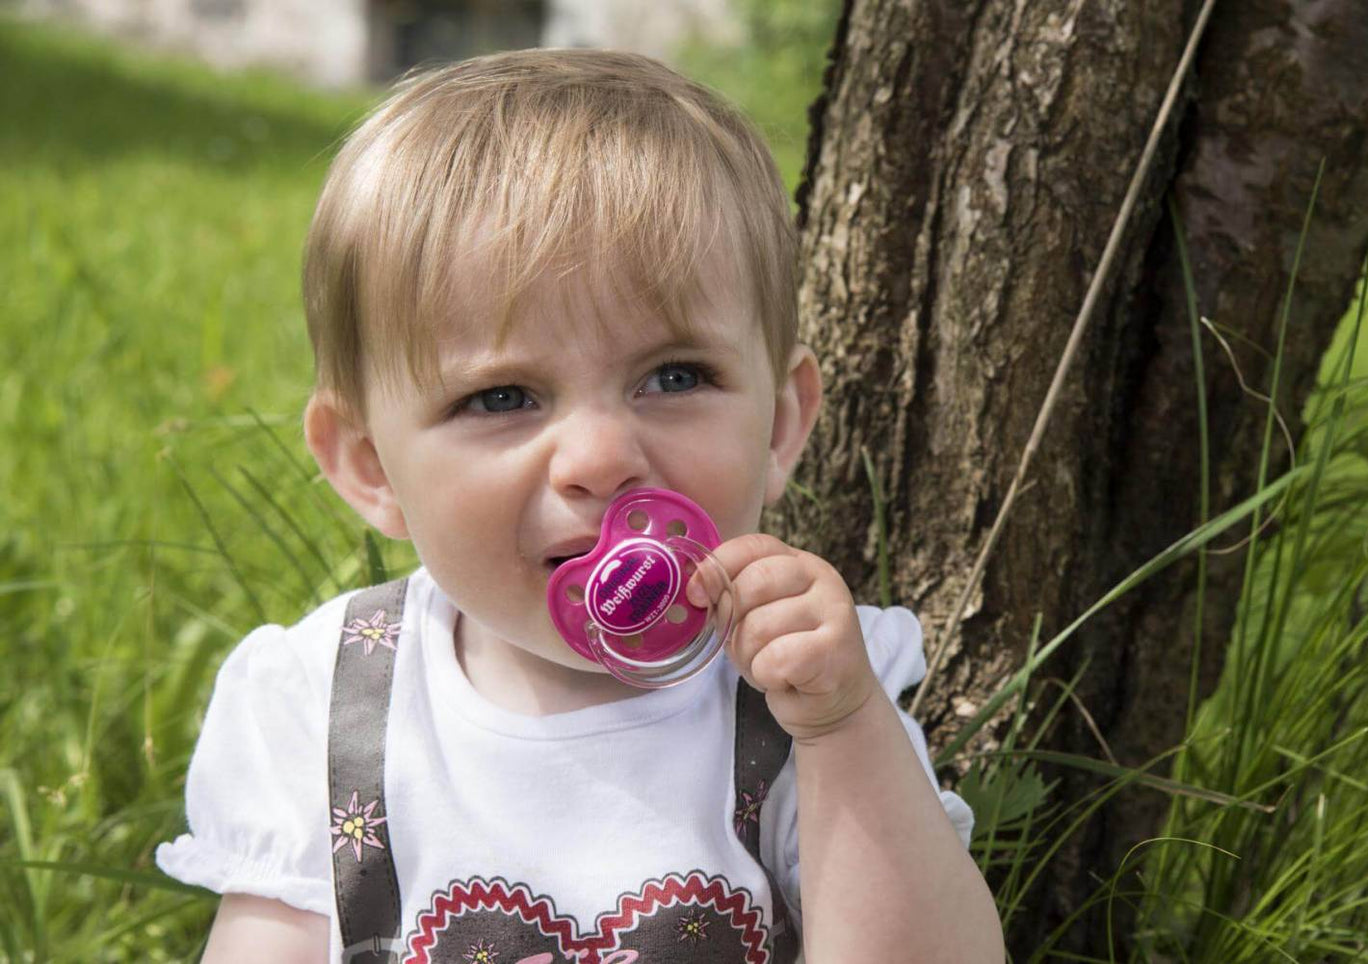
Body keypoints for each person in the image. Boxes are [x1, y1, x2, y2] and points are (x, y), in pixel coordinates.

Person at [155, 47, 1005, 964]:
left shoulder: (804, 693)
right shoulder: (322, 707)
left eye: (674, 377)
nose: (600, 460)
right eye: (501, 398)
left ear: (780, 424)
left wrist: (842, 729)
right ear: (371, 468)